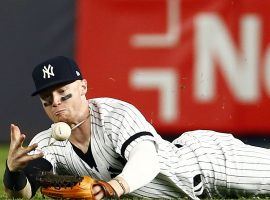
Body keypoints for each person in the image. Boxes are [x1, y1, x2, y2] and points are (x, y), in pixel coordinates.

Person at [3, 56, 270, 200]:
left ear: (83, 87)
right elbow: (24, 194)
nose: (57, 105)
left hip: (208, 165)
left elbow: (147, 157)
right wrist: (14, 173)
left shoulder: (114, 114)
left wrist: (115, 187)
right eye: (47, 100)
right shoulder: (48, 143)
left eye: (64, 94)